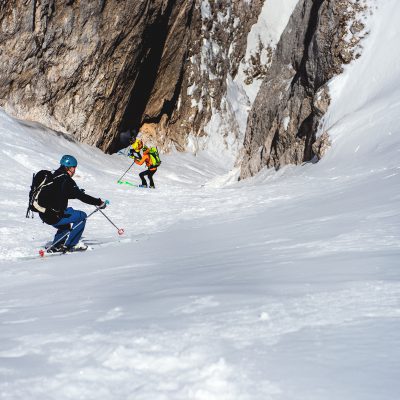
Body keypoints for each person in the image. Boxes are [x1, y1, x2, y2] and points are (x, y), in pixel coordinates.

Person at [39, 155, 107, 253]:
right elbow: (82, 197)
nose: (74, 170)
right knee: (81, 216)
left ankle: (57, 244)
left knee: (66, 222)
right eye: (74, 167)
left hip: (44, 213)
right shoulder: (66, 179)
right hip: (54, 216)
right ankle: (71, 245)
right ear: (69, 167)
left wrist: (76, 193)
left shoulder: (54, 176)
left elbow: (60, 194)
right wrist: (99, 202)